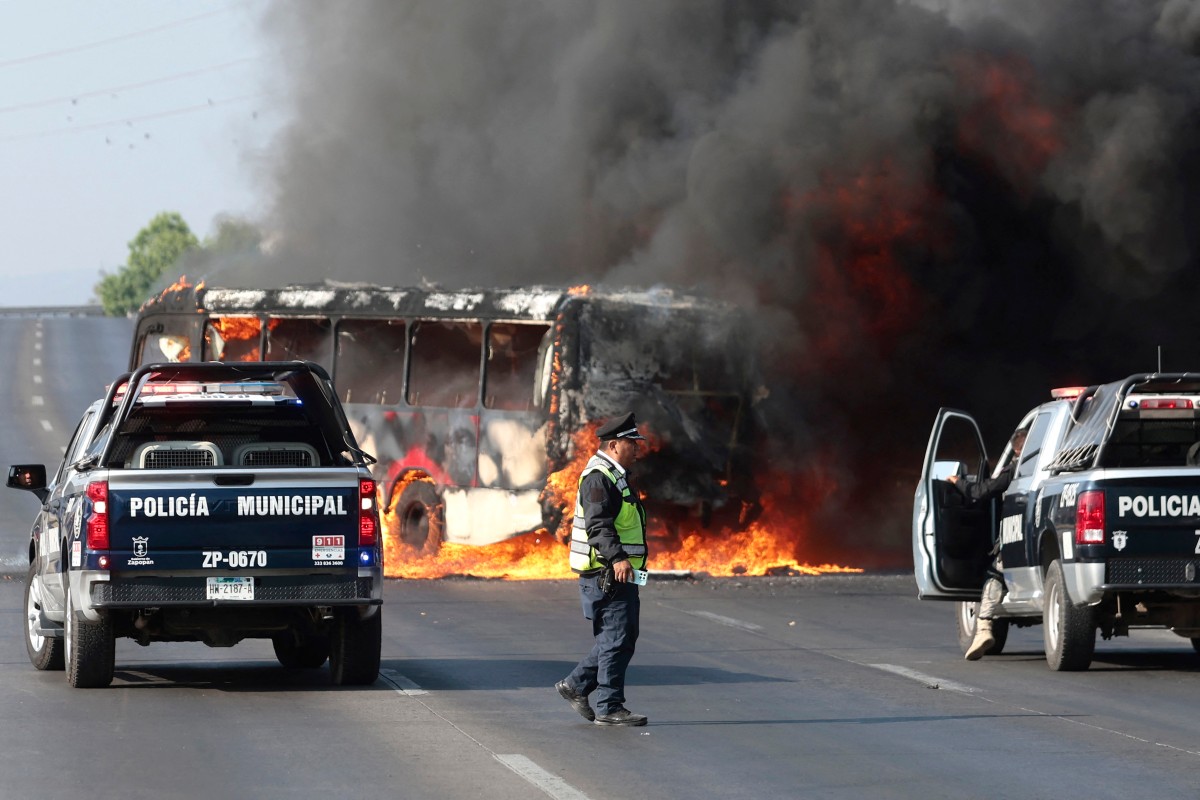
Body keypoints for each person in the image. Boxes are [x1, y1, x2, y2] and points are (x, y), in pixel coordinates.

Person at [556, 411, 649, 726]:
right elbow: (598, 525)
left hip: (617, 574)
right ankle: (609, 706)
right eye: (632, 443)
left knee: (621, 636)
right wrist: (617, 557)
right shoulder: (599, 477)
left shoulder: (615, 475)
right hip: (606, 575)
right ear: (614, 445)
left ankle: (576, 685)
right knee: (617, 636)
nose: (637, 448)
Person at [951, 427, 1027, 661]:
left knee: (995, 574)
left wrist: (958, 483)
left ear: (1016, 449)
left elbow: (983, 491)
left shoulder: (1015, 469)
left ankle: (983, 627)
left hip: (1018, 535)